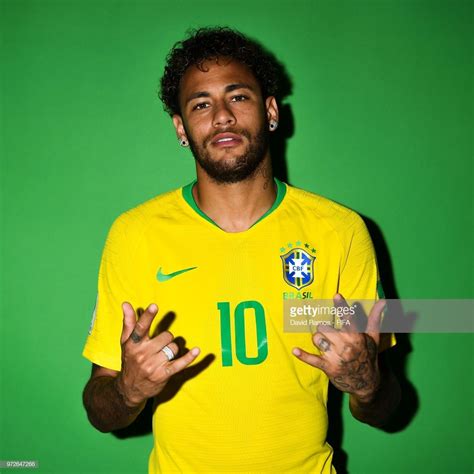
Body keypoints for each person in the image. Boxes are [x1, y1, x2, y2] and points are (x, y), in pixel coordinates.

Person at [82, 26, 400, 473]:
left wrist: (367, 385)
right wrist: (128, 391)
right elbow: (100, 410)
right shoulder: (134, 234)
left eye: (238, 97)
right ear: (181, 128)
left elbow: (387, 407)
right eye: (200, 104)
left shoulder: (341, 232)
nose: (222, 116)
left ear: (270, 111)